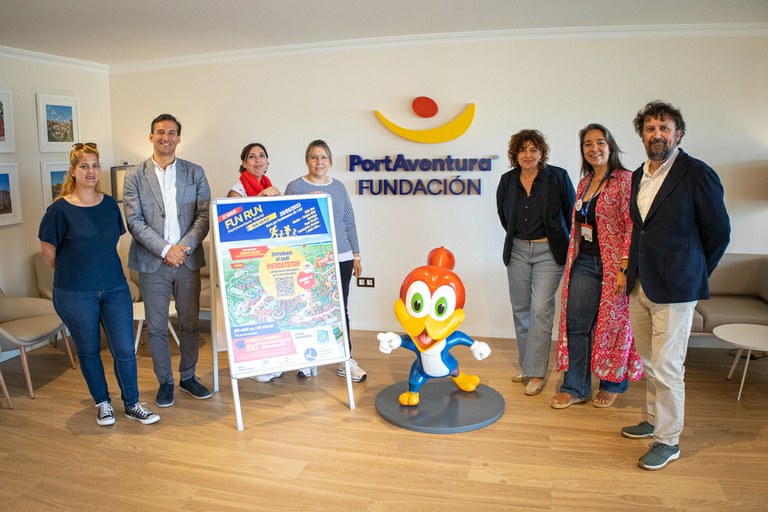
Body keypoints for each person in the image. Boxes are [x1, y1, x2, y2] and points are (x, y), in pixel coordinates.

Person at [622, 101, 730, 470]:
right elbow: (641, 230)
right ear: (642, 136)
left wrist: (693, 272)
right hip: (640, 283)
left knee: (668, 366)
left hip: (677, 288)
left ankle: (668, 440)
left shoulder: (697, 173)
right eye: (650, 129)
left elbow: (719, 233)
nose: (657, 135)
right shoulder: (638, 175)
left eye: (664, 128)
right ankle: (653, 419)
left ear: (678, 134)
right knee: (649, 361)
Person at [38, 142, 159, 426]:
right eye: (84, 166)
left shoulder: (108, 205)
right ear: (73, 171)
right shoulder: (59, 210)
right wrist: (76, 272)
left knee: (124, 349)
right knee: (89, 349)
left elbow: (110, 244)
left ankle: (132, 403)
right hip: (75, 293)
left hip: (114, 288)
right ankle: (103, 403)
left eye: (95, 166)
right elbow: (48, 251)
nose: (90, 171)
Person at [551, 124, 643, 410]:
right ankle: (576, 387)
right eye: (588, 144)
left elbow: (633, 227)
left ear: (610, 146)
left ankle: (612, 383)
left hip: (616, 265)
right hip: (585, 261)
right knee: (577, 324)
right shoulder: (584, 183)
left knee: (614, 325)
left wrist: (625, 268)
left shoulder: (626, 180)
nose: (594, 148)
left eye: (600, 142)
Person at [123, 113, 212, 407]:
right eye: (160, 132)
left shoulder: (194, 172)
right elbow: (134, 221)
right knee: (157, 326)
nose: (166, 137)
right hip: (153, 262)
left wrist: (182, 248)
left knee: (190, 323)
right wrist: (164, 250)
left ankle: (188, 376)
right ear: (151, 136)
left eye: (172, 132)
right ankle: (165, 382)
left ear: (178, 138)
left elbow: (203, 216)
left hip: (187, 260)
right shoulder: (134, 175)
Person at [496, 129, 575, 396]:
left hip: (548, 252)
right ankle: (527, 365)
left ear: (542, 153)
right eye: (522, 150)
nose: (528, 155)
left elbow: (570, 213)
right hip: (518, 250)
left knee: (540, 309)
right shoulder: (507, 181)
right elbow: (504, 215)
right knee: (521, 310)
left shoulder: (558, 177)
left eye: (533, 149)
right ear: (515, 154)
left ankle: (537, 372)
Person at [284, 139, 366, 382]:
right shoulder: (295, 187)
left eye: (323, 157)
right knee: (310, 308)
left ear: (329, 161)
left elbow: (349, 223)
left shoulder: (339, 187)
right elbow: (286, 224)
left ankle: (345, 359)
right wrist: (308, 202)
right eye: (314, 157)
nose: (319, 162)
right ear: (307, 160)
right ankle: (309, 359)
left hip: (342, 257)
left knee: (340, 309)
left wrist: (356, 255)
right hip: (311, 260)